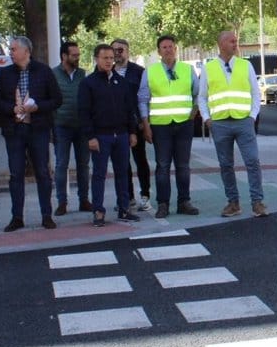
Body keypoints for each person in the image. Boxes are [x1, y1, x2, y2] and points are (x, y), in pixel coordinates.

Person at [0, 36, 62, 231]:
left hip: (38, 129)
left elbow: (56, 99)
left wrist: (37, 106)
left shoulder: (43, 71)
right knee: (16, 174)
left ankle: (46, 215)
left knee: (42, 172)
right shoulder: (5, 74)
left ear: (26, 51)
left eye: (14, 49)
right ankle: (17, 217)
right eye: (11, 49)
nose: (11, 52)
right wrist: (11, 108)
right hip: (14, 130)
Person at [199, 30, 268, 218]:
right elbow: (202, 97)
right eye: (232, 41)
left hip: (243, 121)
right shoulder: (209, 68)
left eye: (236, 41)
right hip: (220, 123)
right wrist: (207, 118)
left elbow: (255, 93)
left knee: (252, 161)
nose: (235, 44)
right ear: (221, 44)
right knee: (225, 164)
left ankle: (257, 202)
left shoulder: (246, 66)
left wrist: (252, 116)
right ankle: (233, 202)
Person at [79, 43, 141, 228]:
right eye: (104, 58)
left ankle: (124, 208)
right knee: (99, 174)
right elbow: (83, 112)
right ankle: (98, 211)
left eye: (111, 58)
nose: (108, 61)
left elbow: (130, 109)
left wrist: (132, 132)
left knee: (123, 173)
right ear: (96, 59)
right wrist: (90, 136)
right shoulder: (88, 83)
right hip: (100, 136)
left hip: (121, 135)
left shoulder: (122, 83)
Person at [139, 34, 200, 218]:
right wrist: (146, 125)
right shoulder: (150, 71)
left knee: (183, 165)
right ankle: (163, 204)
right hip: (160, 126)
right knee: (162, 165)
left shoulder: (187, 69)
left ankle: (184, 202)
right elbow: (142, 99)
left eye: (171, 46)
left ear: (176, 49)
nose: (168, 50)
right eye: (164, 47)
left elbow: (197, 93)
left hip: (183, 124)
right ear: (159, 51)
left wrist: (194, 112)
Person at [111, 38, 152, 212]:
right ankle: (127, 197)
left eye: (121, 50)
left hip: (136, 124)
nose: (117, 53)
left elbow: (145, 99)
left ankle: (145, 195)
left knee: (140, 159)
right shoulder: (108, 71)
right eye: (114, 50)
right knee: (122, 163)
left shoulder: (139, 72)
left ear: (128, 51)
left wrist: (145, 122)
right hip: (116, 125)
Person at [52, 41, 92, 216]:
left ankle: (84, 200)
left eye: (78, 55)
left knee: (83, 165)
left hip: (82, 127)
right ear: (64, 56)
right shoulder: (53, 75)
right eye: (74, 55)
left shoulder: (82, 75)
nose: (77, 58)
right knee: (61, 164)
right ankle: (62, 202)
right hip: (61, 126)